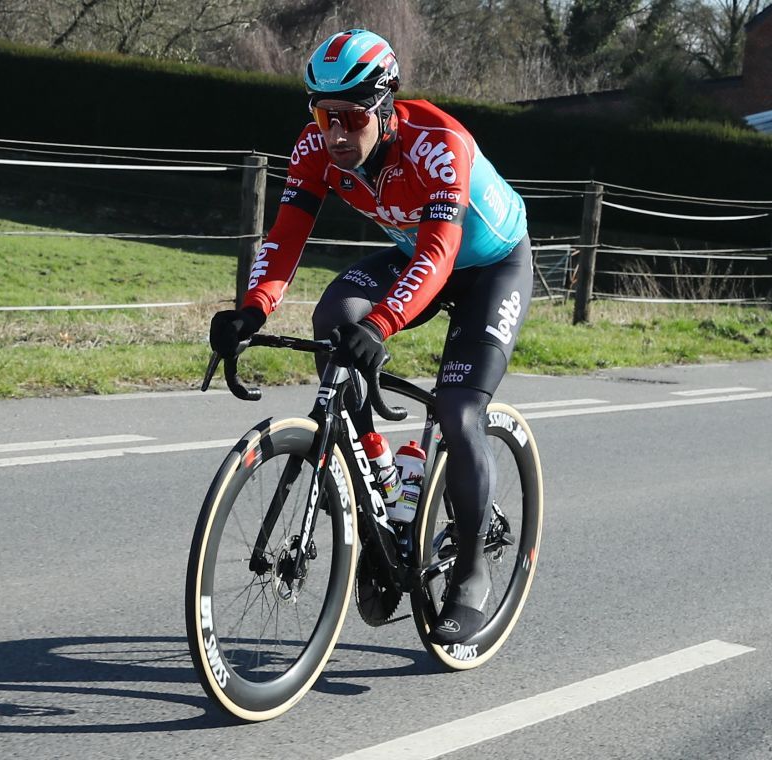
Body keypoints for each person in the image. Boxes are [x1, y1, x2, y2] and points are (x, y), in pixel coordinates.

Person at [208, 29, 533, 644]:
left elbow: (441, 251)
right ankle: (382, 477)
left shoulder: (440, 146)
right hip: (417, 256)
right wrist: (250, 311)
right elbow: (284, 236)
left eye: (350, 118)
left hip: (489, 266)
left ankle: (471, 570)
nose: (334, 134)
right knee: (332, 321)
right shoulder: (316, 149)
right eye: (322, 115)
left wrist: (382, 324)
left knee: (460, 411)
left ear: (385, 109)